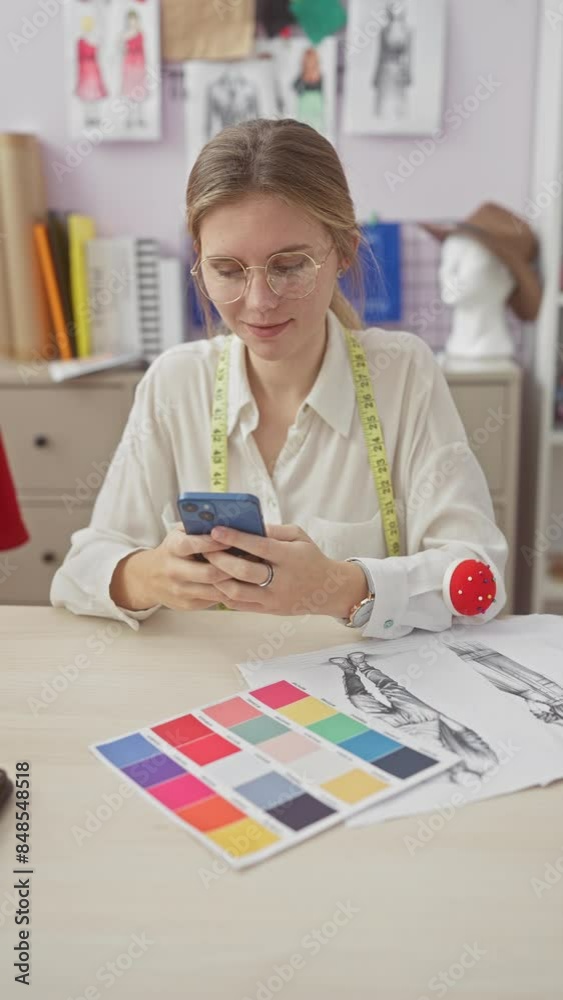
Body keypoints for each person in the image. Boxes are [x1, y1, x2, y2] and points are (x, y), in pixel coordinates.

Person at [50, 118, 507, 638]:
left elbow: (479, 578)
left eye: (289, 265)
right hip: (212, 691)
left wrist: (340, 586)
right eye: (226, 269)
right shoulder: (175, 383)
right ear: (199, 263)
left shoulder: (401, 375)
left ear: (345, 252)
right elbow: (76, 572)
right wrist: (147, 576)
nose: (260, 302)